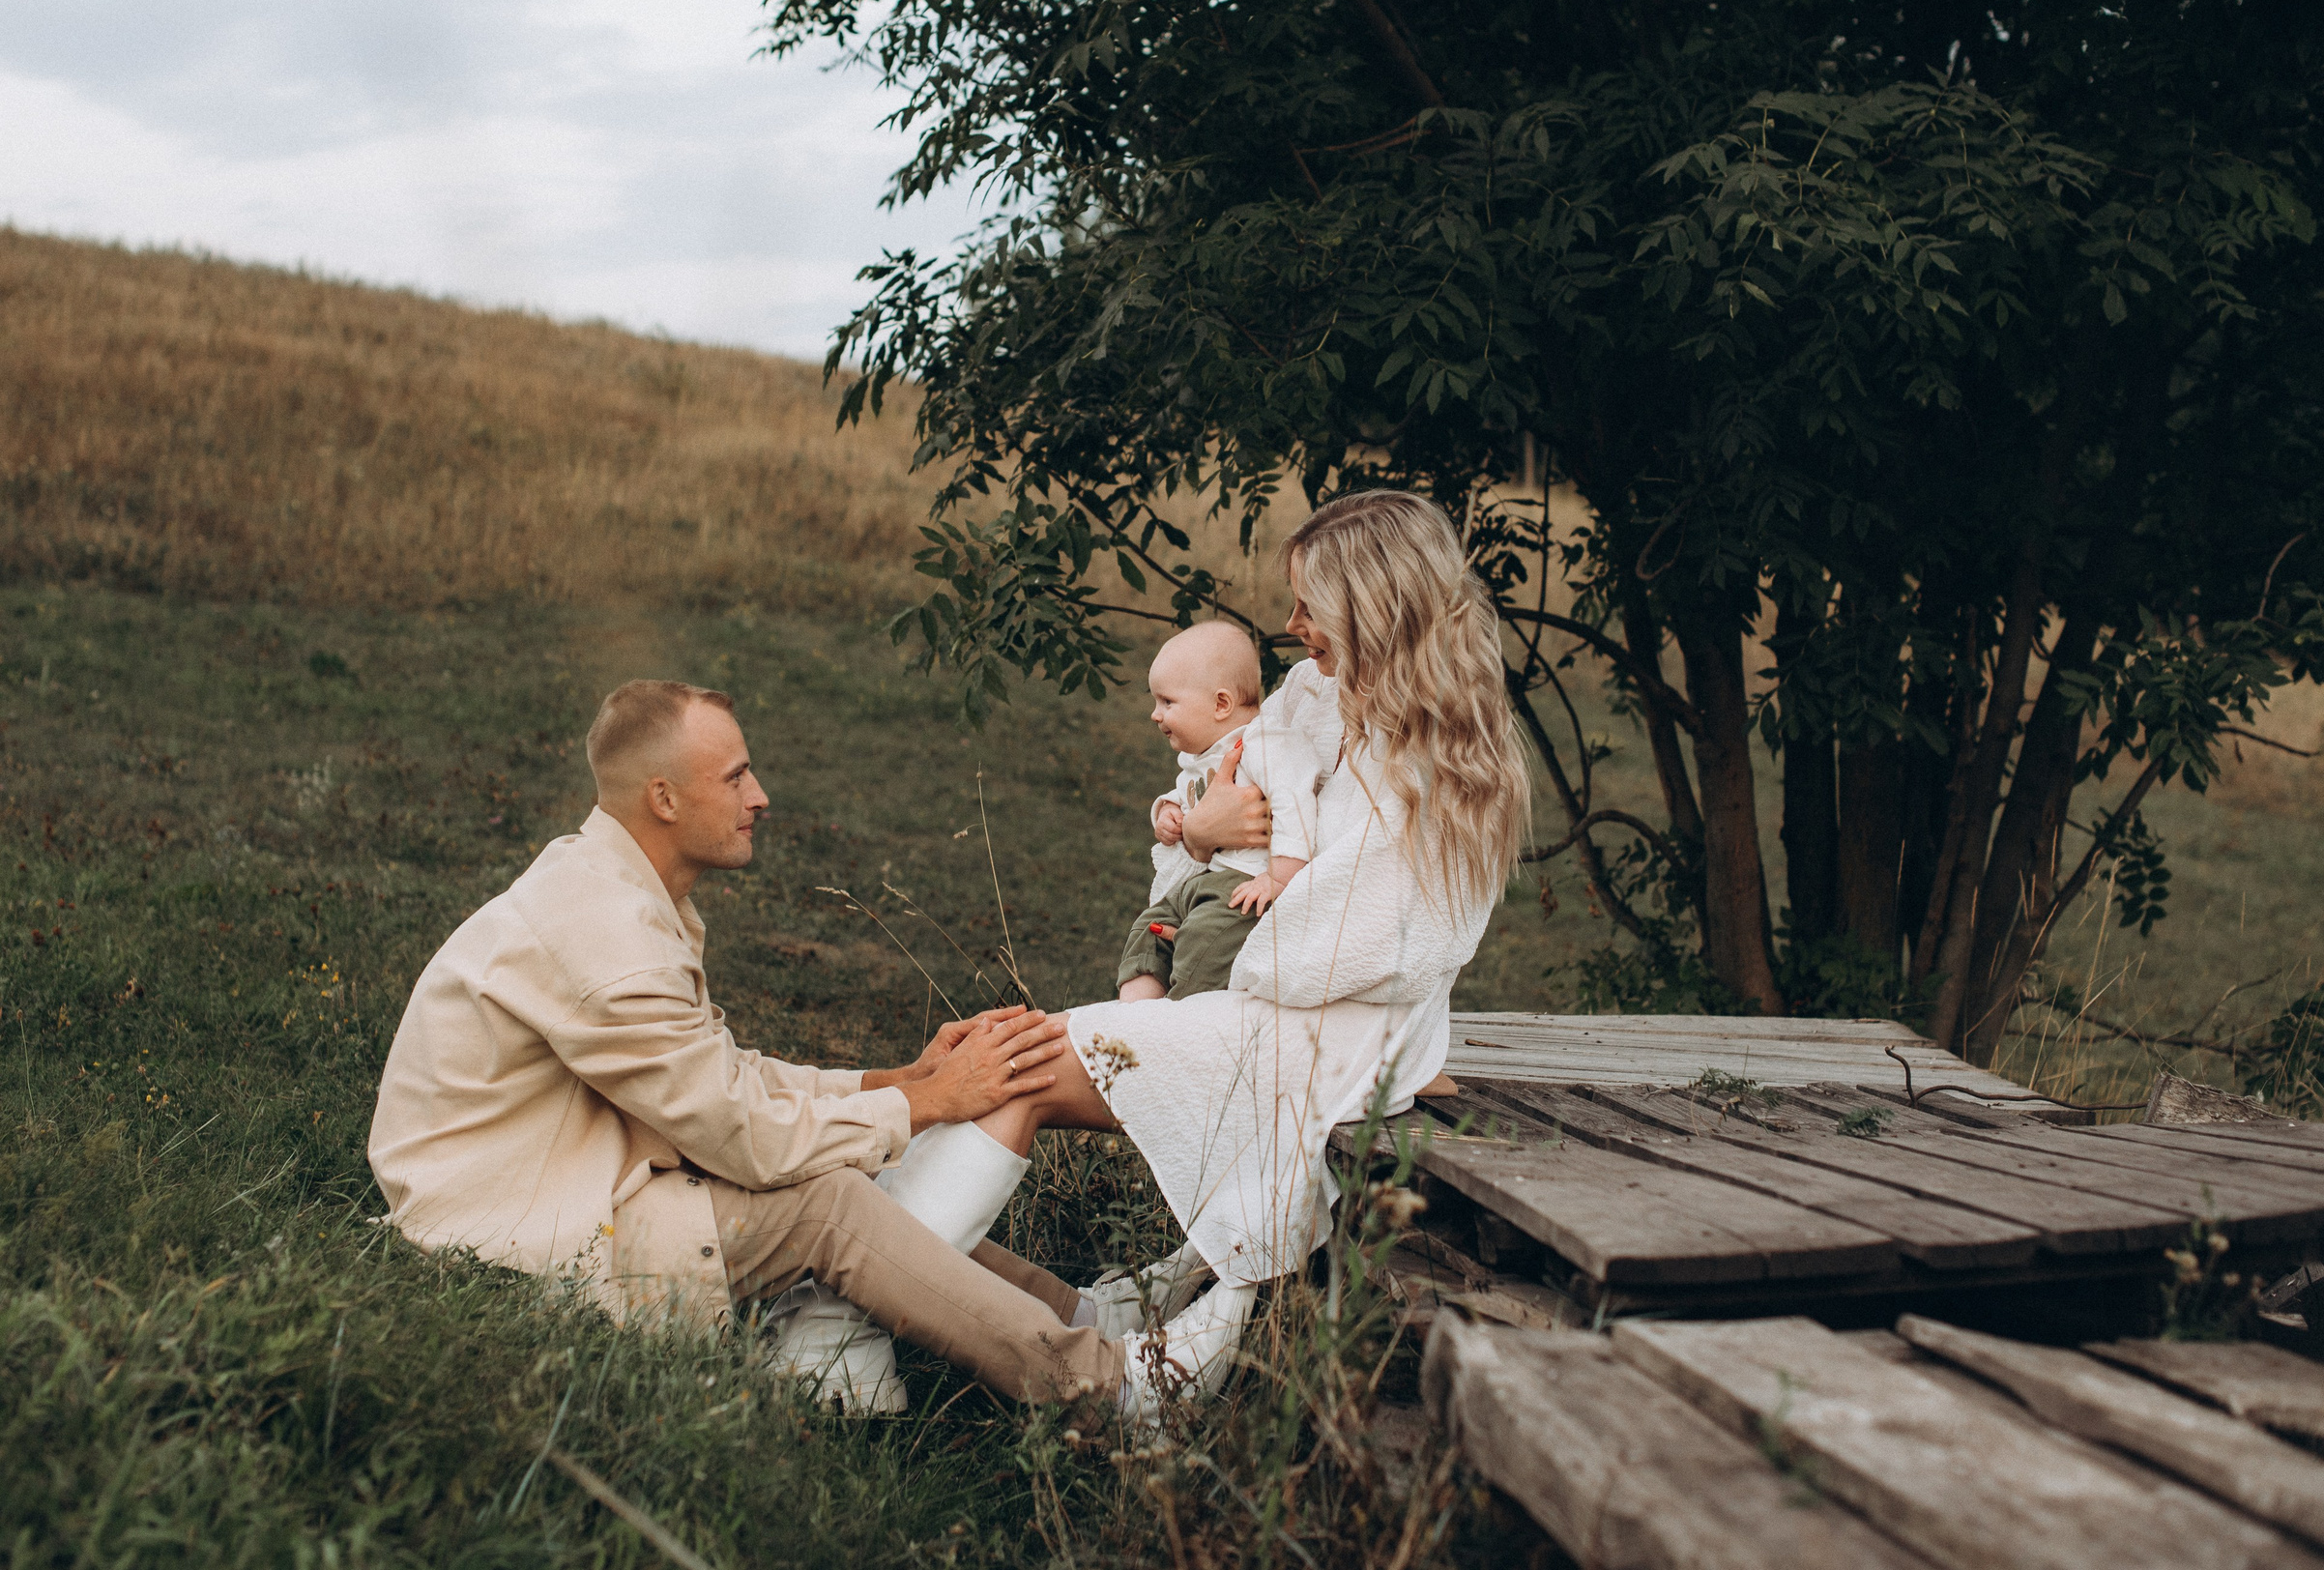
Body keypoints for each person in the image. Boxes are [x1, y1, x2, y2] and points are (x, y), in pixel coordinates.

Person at [366, 679, 1244, 1420]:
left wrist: (895, 1079)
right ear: (664, 799)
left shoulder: (616, 887)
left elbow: (720, 1081)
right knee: (826, 1199)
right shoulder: (606, 940)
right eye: (737, 774)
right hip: (519, 1233)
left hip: (568, 1175)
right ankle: (1113, 1390)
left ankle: (1089, 1311)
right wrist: (932, 1101)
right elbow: (745, 1135)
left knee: (840, 1157)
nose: (762, 797)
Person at [970, 491, 1531, 1338]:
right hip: (1254, 995)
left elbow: (1353, 947)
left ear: (1375, 611)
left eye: (1313, 604)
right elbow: (1195, 854)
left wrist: (1234, 912)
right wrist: (1198, 837)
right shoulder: (1310, 697)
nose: (1294, 622)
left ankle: (903, 1305)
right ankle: (946, 1299)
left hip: (1334, 1033)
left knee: (1023, 1069)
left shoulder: (1443, 768)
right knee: (1002, 1060)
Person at [1117, 621, 1331, 1003]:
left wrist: (1279, 878)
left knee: (1203, 944)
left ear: (1221, 704)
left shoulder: (1265, 743)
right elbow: (1190, 794)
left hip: (1245, 884)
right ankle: (1133, 1016)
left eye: (1167, 702)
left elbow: (1294, 800)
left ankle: (1178, 1019)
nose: (1155, 714)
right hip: (1203, 882)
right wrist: (1166, 811)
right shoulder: (1204, 755)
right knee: (1149, 930)